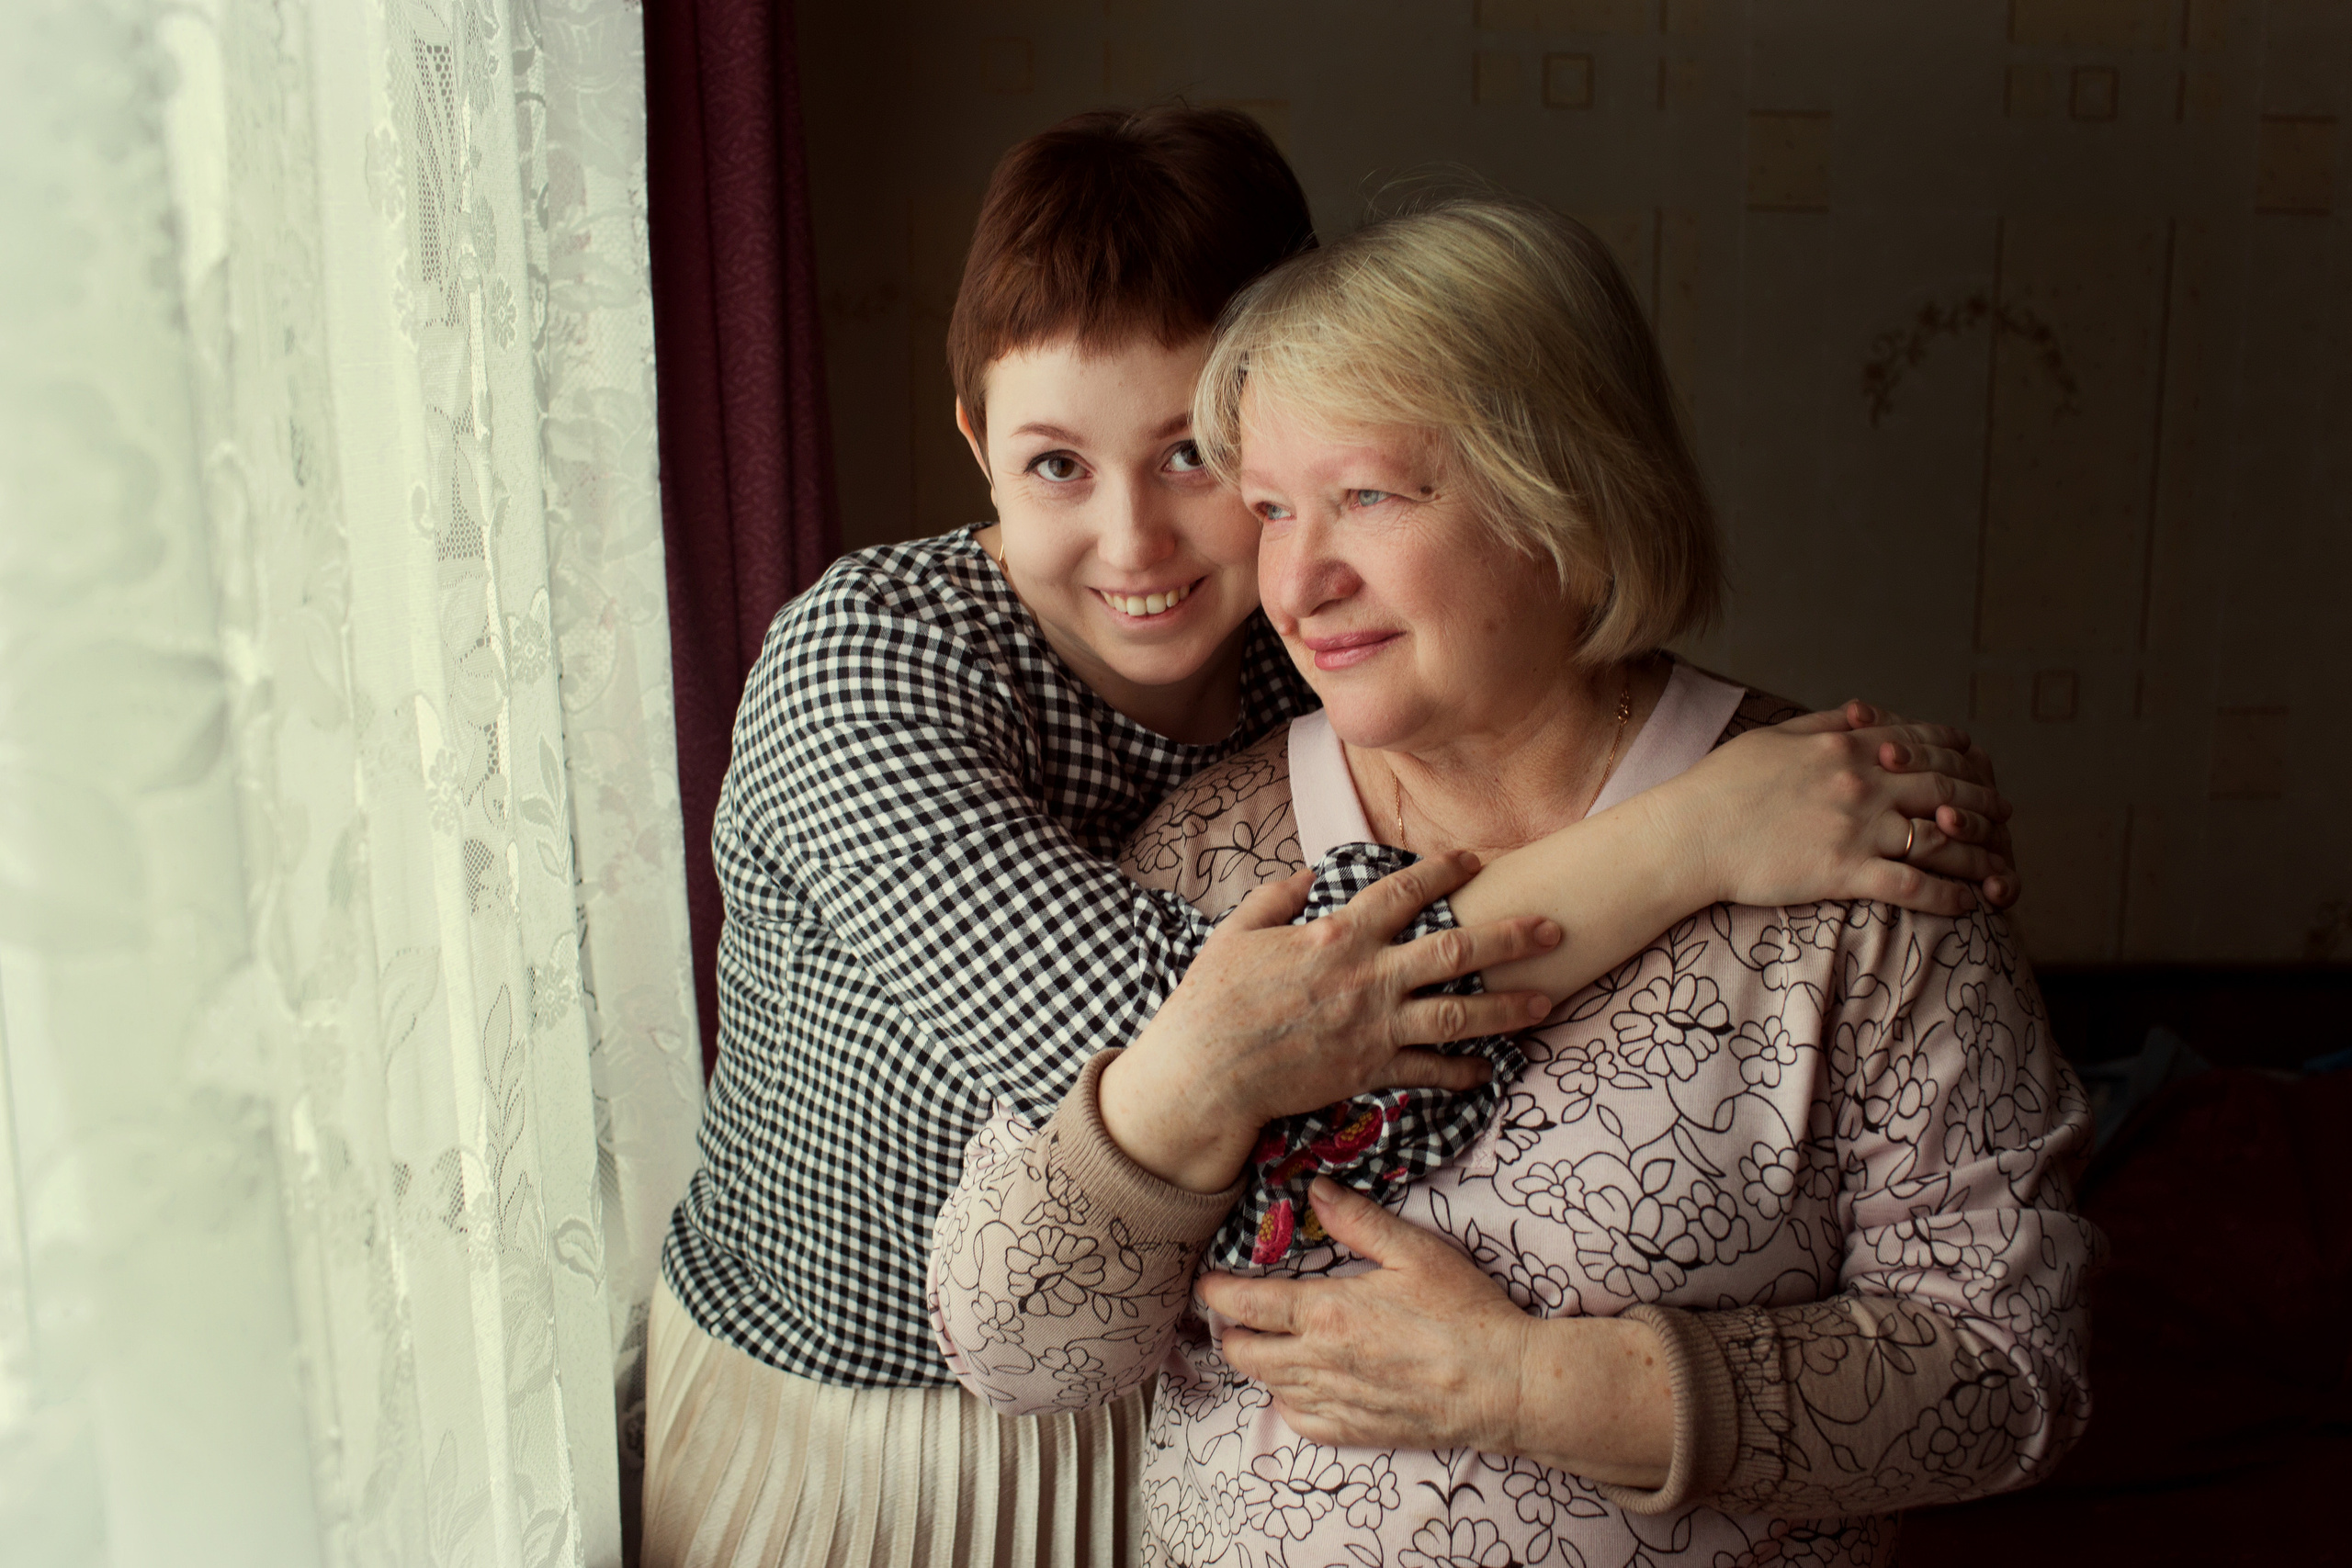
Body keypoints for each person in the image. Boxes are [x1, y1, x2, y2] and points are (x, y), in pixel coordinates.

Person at [928, 195, 2094, 1567]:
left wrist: (1533, 1390)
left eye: (1367, 494)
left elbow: (2010, 1379)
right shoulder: (1207, 851)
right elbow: (1017, 1350)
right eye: (1269, 509)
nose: (1296, 580)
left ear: (1561, 496)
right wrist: (1197, 1080)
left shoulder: (1850, 850)